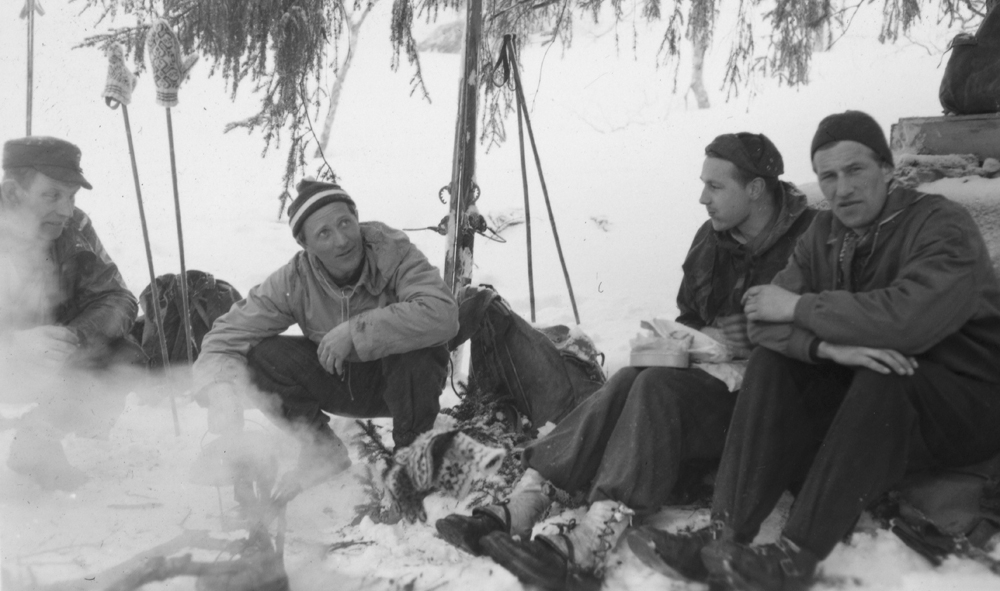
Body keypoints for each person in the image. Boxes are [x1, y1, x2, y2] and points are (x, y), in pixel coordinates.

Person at [435, 133, 818, 589]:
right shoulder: (713, 239)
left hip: (766, 407)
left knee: (656, 387)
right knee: (632, 377)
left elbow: (821, 328)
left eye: (716, 187)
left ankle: (595, 536)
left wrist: (757, 339)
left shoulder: (810, 239)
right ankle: (526, 500)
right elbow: (692, 317)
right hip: (713, 382)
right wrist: (686, 338)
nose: (702, 198)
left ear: (755, 189)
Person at [638, 110, 1000, 591]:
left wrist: (802, 307)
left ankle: (795, 556)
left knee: (886, 374)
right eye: (828, 176)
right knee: (775, 361)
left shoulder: (941, 225)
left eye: (855, 171)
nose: (841, 188)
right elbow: (762, 323)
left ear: (888, 170)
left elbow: (905, 322)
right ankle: (723, 536)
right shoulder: (824, 234)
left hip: (963, 408)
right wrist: (828, 348)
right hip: (871, 406)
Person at [193, 179, 459, 495]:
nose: (342, 240)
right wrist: (218, 386)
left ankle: (410, 458)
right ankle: (322, 451)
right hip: (340, 381)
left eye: (345, 223)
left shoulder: (394, 253)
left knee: (420, 346)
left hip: (404, 386)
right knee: (261, 356)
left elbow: (443, 314)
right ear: (306, 246)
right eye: (324, 233)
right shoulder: (294, 279)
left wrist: (356, 331)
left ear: (357, 218)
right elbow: (227, 334)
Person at [0, 136, 145, 491]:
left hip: (47, 359)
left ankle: (38, 444)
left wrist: (74, 336)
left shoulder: (73, 226)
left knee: (124, 354)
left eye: (71, 197)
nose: (66, 210)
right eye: (52, 195)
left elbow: (119, 298)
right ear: (12, 192)